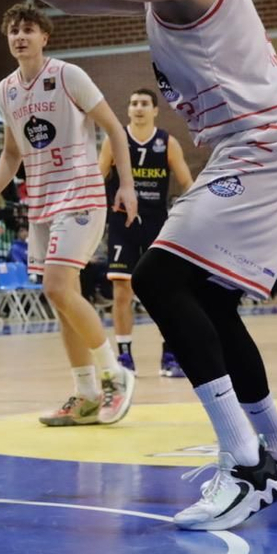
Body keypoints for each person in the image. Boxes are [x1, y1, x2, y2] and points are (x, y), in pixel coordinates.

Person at [0, 0, 277, 531]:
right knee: (209, 303)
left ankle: (245, 461)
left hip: (263, 142)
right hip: (254, 144)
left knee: (156, 277)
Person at [0, 3, 139, 425]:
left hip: (81, 193)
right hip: (42, 202)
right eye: (13, 30)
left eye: (28, 29)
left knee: (56, 288)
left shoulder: (68, 75)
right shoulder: (6, 89)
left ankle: (114, 375)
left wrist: (125, 183)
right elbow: (13, 153)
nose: (20, 36)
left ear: (44, 37)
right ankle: (85, 393)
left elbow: (114, 128)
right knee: (63, 300)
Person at [98, 87, 193, 380]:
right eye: (133, 103)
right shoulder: (114, 141)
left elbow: (188, 184)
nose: (138, 108)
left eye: (144, 104)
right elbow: (97, 178)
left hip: (157, 227)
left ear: (154, 110)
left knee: (163, 293)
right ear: (128, 110)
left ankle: (170, 353)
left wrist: (191, 218)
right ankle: (124, 356)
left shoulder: (168, 143)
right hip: (122, 226)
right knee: (121, 291)